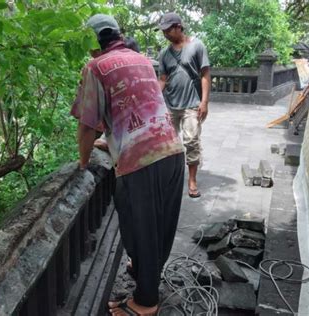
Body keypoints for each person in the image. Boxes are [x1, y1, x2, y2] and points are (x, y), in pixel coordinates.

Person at [71, 14, 185, 316]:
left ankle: (146, 303)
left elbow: (86, 125)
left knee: (142, 228)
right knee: (158, 227)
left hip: (142, 162)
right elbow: (137, 108)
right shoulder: (141, 59)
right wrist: (112, 141)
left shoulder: (95, 67)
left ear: (94, 43)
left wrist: (83, 162)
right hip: (172, 150)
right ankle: (144, 276)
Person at [157, 12, 211, 199]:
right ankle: (171, 178)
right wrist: (153, 101)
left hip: (192, 104)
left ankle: (192, 180)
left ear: (179, 27)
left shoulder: (197, 46)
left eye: (168, 30)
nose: (165, 34)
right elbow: (162, 79)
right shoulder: (164, 53)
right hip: (170, 105)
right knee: (168, 144)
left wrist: (204, 102)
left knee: (191, 142)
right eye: (163, 31)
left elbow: (205, 74)